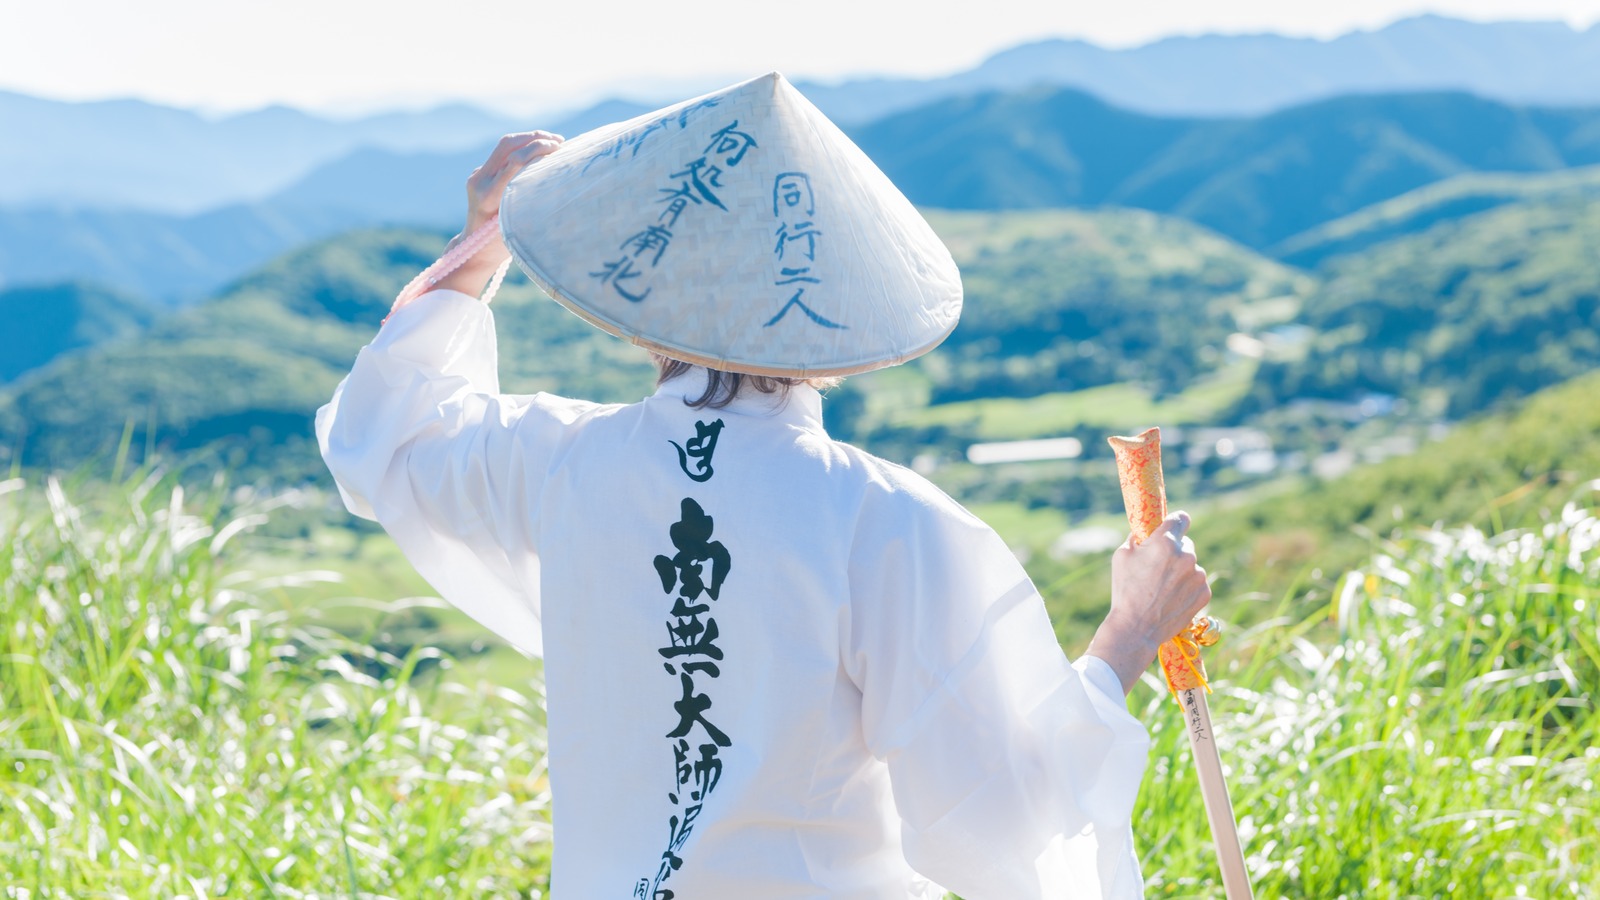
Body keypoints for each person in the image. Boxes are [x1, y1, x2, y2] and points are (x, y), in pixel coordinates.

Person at [318, 85, 1211, 899]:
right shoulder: (887, 523)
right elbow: (1002, 822)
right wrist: (1131, 631)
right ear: (843, 312)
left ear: (652, 302)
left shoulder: (556, 461)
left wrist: (480, 244)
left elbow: (383, 437)